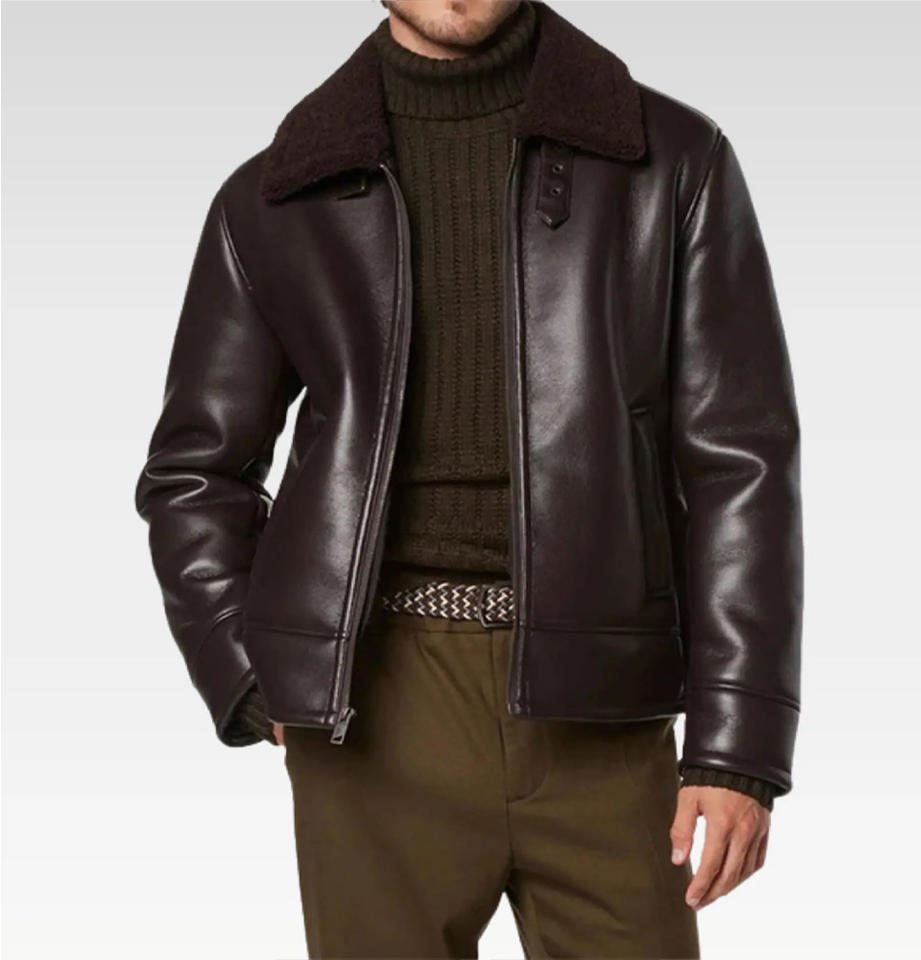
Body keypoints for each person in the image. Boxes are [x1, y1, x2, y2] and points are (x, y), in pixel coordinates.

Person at [134, 1, 803, 956]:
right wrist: (245, 673)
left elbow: (743, 462)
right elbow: (195, 471)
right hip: (373, 714)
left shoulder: (673, 161)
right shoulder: (276, 195)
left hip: (606, 703)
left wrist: (738, 748)